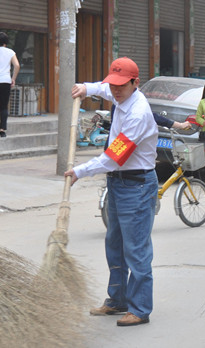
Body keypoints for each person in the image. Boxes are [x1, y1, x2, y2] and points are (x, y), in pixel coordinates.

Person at [65, 57, 157, 327]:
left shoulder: (138, 114)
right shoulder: (120, 95)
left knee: (136, 250)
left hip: (136, 185)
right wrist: (86, 88)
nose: (115, 90)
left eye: (122, 85)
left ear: (135, 83)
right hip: (118, 183)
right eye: (113, 84)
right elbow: (104, 90)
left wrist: (80, 171)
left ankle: (139, 309)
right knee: (114, 245)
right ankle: (118, 300)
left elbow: (114, 157)